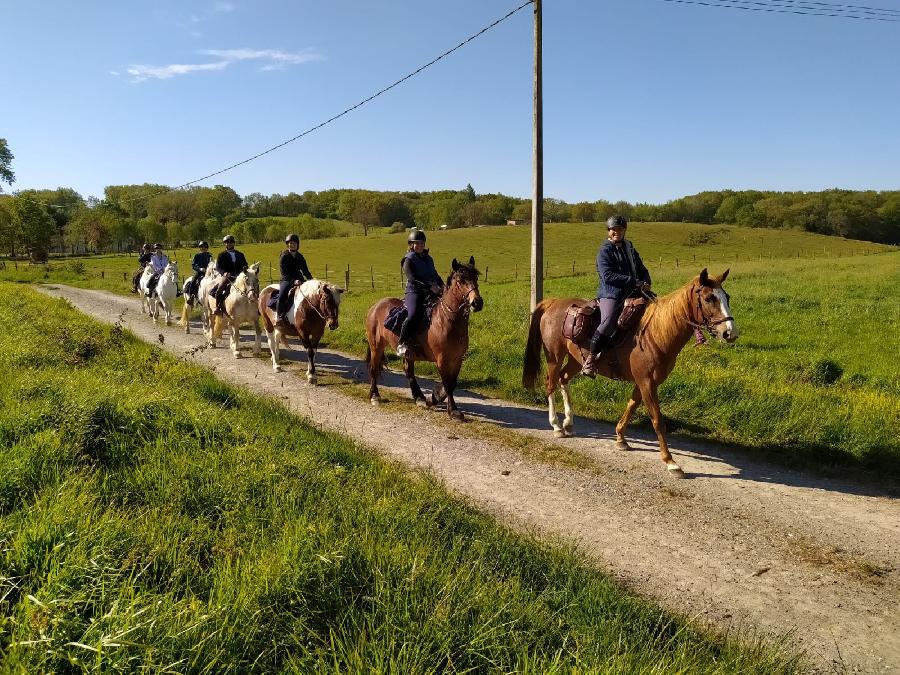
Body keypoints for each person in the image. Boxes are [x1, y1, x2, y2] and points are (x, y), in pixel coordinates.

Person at [582, 215, 651, 377]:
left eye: (620, 229)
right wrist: (633, 281)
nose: (617, 232)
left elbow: (642, 268)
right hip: (611, 293)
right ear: (609, 231)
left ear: (624, 230)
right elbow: (608, 276)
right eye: (614, 229)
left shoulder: (630, 248)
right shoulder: (604, 251)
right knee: (607, 322)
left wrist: (646, 281)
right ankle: (591, 359)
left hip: (633, 291)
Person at [397, 229, 444, 356]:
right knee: (413, 314)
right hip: (414, 291)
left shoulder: (429, 259)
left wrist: (443, 286)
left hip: (431, 291)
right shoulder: (408, 259)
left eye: (422, 243)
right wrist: (430, 287)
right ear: (411, 245)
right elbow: (412, 278)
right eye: (417, 243)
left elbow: (435, 274)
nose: (420, 246)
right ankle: (402, 342)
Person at [275, 233, 313, 330]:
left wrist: (312, 280)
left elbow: (305, 270)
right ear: (287, 244)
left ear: (297, 244)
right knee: (282, 294)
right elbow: (284, 272)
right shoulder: (284, 256)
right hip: (287, 279)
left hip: (299, 279)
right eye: (290, 243)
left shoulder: (300, 257)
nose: (292, 245)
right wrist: (293, 281)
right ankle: (279, 317)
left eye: (294, 243)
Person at [213, 234, 248, 315]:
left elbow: (245, 264)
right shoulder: (221, 255)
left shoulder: (240, 254)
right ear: (224, 243)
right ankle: (217, 307)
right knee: (220, 288)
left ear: (234, 243)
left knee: (252, 286)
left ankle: (256, 306)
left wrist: (245, 268)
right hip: (228, 276)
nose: (229, 243)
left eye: (231, 242)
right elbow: (218, 267)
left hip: (239, 276)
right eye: (227, 242)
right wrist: (224, 273)